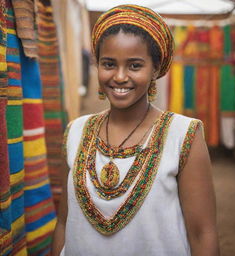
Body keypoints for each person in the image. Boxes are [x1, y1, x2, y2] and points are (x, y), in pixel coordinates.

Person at [52, 4, 219, 256]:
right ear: (97, 65)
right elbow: (64, 222)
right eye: (109, 64)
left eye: (134, 65)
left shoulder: (183, 135)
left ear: (155, 69)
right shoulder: (75, 132)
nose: (119, 76)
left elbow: (202, 233)